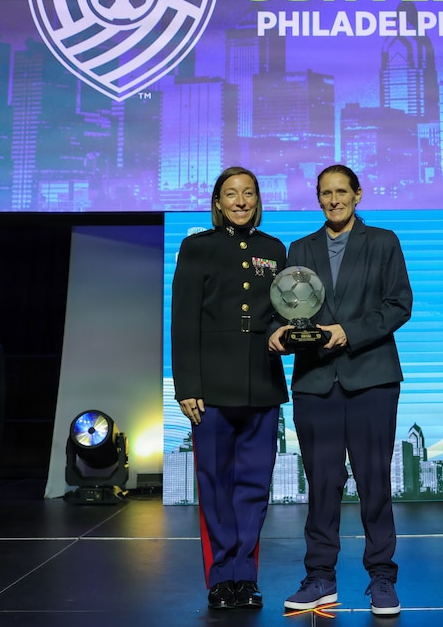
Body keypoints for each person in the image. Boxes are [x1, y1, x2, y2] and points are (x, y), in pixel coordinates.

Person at [270, 164, 412, 616]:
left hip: (370, 377)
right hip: (315, 381)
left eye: (342, 192)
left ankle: (382, 578)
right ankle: (320, 578)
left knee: (374, 483)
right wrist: (281, 333)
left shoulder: (384, 242)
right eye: (326, 193)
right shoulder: (301, 247)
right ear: (318, 198)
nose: (334, 200)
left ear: (358, 194)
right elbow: (293, 309)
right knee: (323, 485)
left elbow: (398, 305)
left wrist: (346, 332)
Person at [171, 166, 288, 611]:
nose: (240, 201)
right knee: (216, 487)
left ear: (258, 199)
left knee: (254, 490)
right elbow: (183, 321)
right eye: (231, 194)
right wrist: (187, 386)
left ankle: (245, 576)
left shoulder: (274, 249)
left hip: (263, 385)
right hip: (211, 390)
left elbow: (281, 309)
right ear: (218, 202)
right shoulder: (196, 247)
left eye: (249, 193)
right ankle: (221, 578)